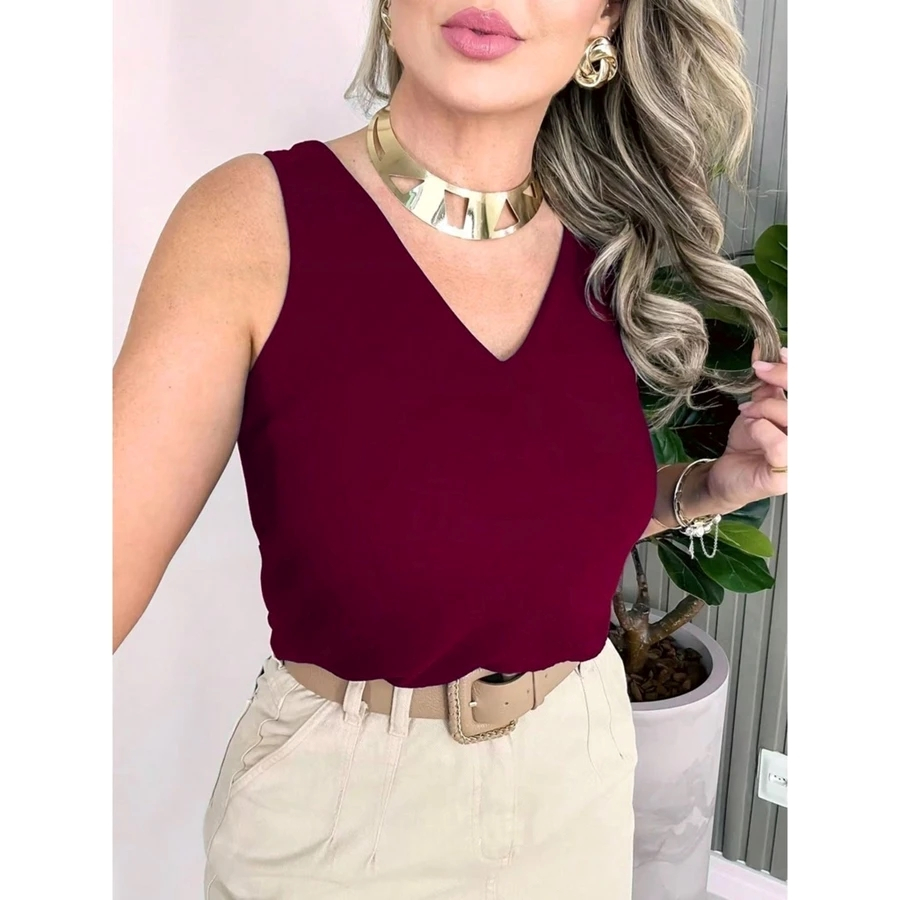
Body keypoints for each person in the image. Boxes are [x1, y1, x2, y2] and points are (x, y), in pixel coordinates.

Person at [113, 1, 788, 897]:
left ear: (606, 21)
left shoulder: (608, 256)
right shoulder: (253, 225)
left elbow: (510, 518)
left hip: (577, 777)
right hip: (342, 820)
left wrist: (707, 487)